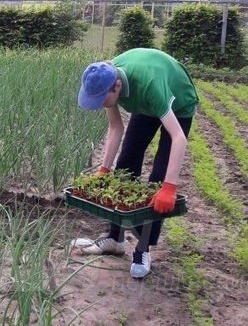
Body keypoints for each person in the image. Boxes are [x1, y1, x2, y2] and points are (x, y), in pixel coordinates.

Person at [76, 47, 198, 279]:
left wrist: (169, 186)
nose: (102, 104)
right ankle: (115, 239)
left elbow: (178, 138)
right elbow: (115, 128)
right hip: (146, 104)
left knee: (157, 180)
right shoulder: (107, 75)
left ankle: (143, 248)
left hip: (178, 102)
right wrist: (104, 170)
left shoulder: (149, 86)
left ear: (117, 87)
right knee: (124, 167)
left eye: (103, 99)